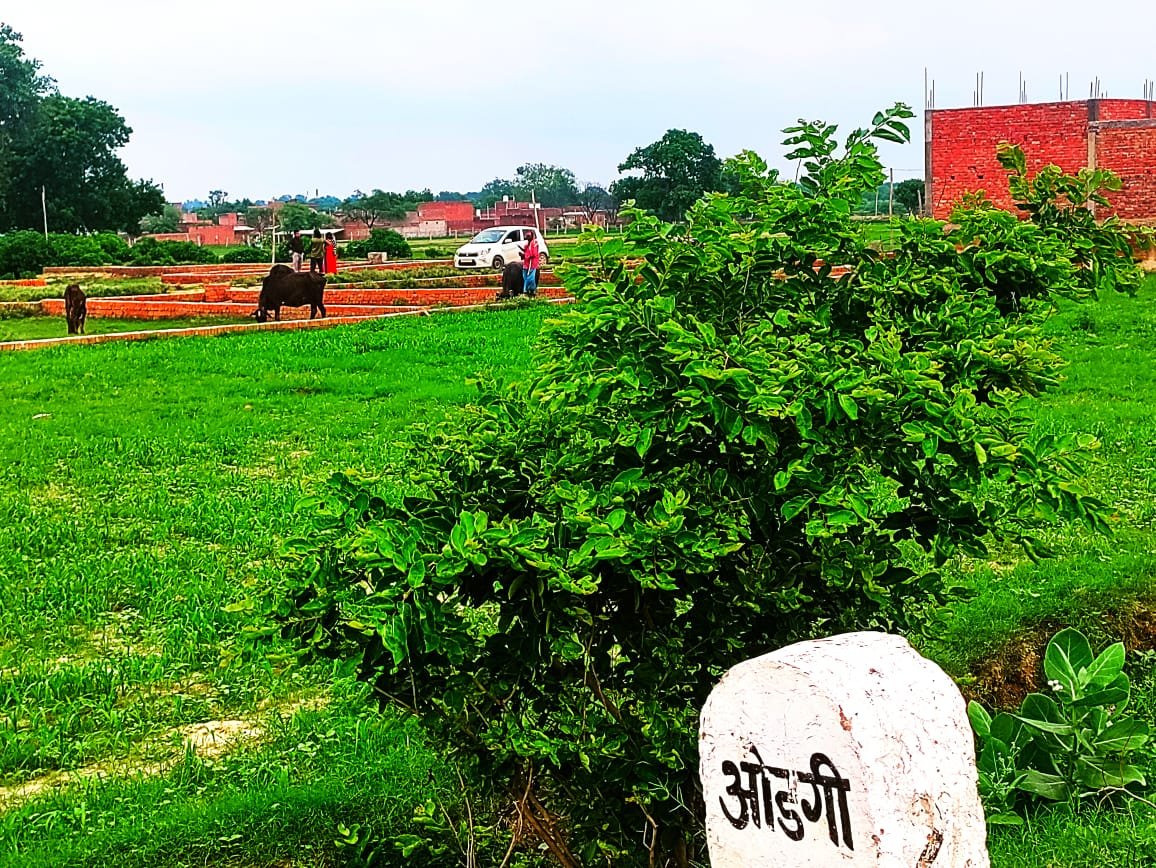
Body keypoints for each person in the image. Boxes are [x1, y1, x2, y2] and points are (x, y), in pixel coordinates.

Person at [521, 229, 540, 297]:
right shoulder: (526, 245)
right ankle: (530, 290)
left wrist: (525, 255)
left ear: (532, 236)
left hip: (532, 264)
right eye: (527, 235)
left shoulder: (534, 243)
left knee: (530, 278)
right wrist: (523, 255)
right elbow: (527, 253)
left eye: (529, 236)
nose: (527, 237)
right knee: (525, 277)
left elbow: (533, 254)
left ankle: (527, 290)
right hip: (526, 264)